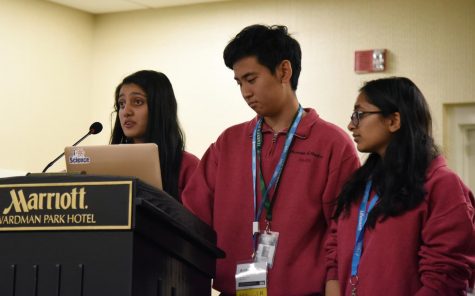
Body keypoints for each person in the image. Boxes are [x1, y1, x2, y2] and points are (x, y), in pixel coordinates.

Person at [182, 24, 359, 295]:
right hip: (236, 290)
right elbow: (194, 218)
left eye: (251, 79)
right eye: (239, 83)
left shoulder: (332, 144)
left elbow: (343, 230)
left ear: (284, 71)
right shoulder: (228, 143)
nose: (245, 92)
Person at [325, 77, 475, 296]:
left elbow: (444, 279)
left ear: (394, 120)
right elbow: (334, 252)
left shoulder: (442, 185)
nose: (351, 124)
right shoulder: (360, 184)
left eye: (360, 114)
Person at [110, 70, 199, 201]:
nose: (125, 112)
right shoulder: (109, 161)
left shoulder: (188, 166)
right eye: (121, 104)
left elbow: (194, 220)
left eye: (137, 102)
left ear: (160, 107)